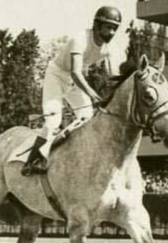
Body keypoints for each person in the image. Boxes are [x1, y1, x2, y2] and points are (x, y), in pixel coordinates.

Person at [21, 6, 123, 176]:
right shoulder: (80, 38)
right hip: (56, 75)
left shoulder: (109, 48)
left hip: (72, 81)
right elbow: (76, 72)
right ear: (97, 25)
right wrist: (92, 94)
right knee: (53, 120)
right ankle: (33, 160)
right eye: (108, 27)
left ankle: (70, 151)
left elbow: (114, 76)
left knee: (87, 116)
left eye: (114, 28)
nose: (112, 32)